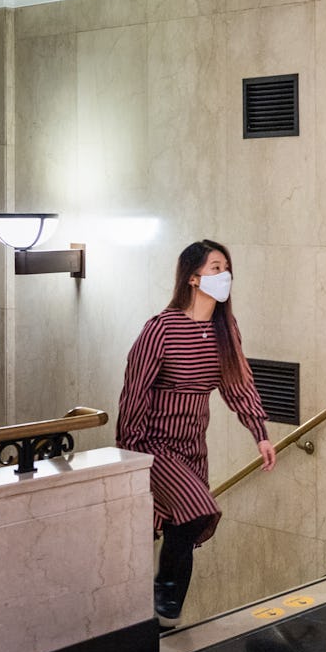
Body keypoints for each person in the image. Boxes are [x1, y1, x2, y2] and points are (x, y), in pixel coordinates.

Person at [116, 240, 276, 627]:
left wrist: (260, 433)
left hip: (192, 446)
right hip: (153, 444)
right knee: (197, 511)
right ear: (192, 277)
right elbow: (135, 389)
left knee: (176, 526)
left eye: (226, 268)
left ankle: (155, 614)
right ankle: (164, 594)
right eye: (215, 268)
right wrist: (130, 449)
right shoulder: (162, 328)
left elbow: (238, 385)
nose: (224, 276)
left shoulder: (225, 328)